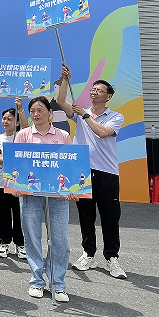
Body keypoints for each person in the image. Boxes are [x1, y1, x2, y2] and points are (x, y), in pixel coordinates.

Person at [56, 64, 127, 279]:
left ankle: (112, 257)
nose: (94, 92)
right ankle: (88, 253)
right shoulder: (80, 113)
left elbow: (102, 133)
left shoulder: (115, 116)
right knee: (86, 215)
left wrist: (85, 115)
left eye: (99, 90)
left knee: (110, 216)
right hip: (83, 171)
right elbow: (60, 101)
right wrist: (65, 79)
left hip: (107, 172)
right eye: (93, 89)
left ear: (108, 96)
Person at [14, 96, 75, 302]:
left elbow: (70, 164)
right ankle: (36, 281)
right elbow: (16, 163)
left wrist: (73, 188)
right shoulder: (23, 135)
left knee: (59, 240)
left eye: (40, 110)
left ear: (50, 113)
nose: (36, 114)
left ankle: (58, 284)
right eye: (32, 111)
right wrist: (16, 186)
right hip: (30, 194)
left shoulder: (63, 135)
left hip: (58, 195)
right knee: (32, 237)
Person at [0, 98, 28, 259]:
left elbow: (27, 127)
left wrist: (21, 108)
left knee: (19, 215)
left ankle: (21, 244)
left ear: (17, 122)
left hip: (18, 184)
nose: (5, 121)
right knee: (2, 215)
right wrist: (13, 159)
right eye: (4, 118)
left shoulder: (22, 137)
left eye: (9, 119)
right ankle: (3, 243)